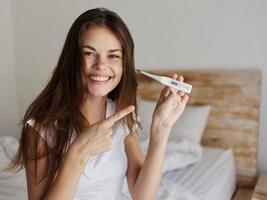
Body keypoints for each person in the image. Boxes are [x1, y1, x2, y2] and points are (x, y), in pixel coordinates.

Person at [8, 7, 189, 200]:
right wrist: (77, 153)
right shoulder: (41, 127)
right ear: (72, 60)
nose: (101, 65)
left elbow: (142, 196)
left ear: (123, 64)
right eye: (89, 53)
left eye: (113, 56)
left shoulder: (122, 115)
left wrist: (161, 130)